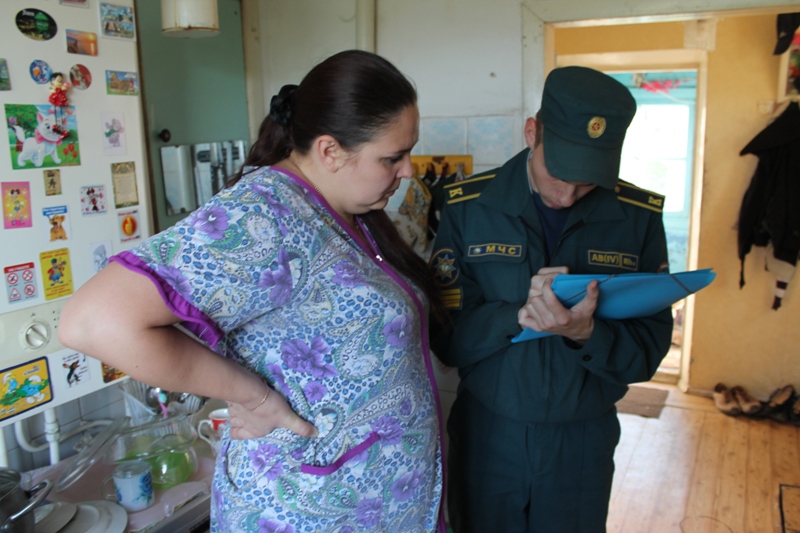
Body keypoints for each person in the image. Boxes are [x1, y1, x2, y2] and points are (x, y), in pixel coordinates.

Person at [59, 50, 448, 533]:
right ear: (329, 151)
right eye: (393, 157)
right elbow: (93, 322)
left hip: (376, 499)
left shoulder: (348, 209)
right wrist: (255, 399)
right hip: (308, 510)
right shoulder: (263, 216)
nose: (408, 170)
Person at [429, 66, 673, 532]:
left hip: (582, 440)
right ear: (532, 133)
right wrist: (518, 316)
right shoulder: (468, 208)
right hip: (488, 434)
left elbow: (648, 350)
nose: (567, 196)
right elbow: (444, 337)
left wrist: (587, 334)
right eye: (558, 174)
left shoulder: (637, 218)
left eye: (587, 182)